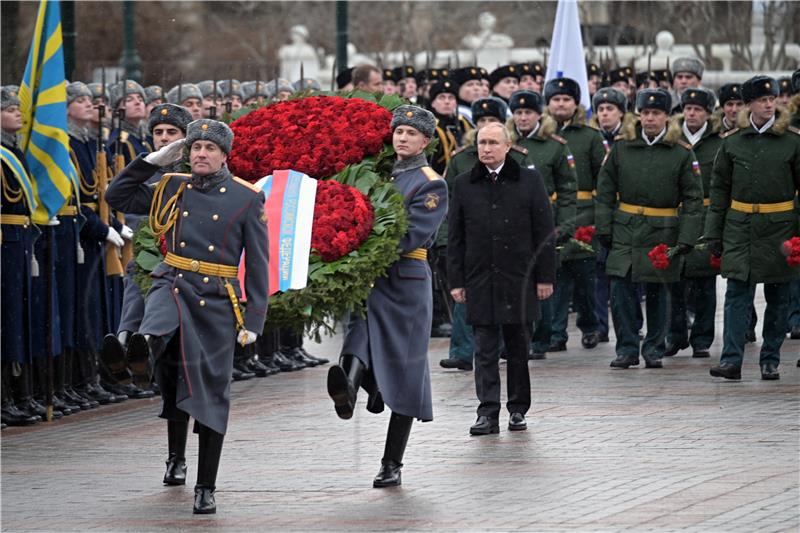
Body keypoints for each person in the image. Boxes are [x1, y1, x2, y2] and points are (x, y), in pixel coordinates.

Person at [105, 119, 269, 513]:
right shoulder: (172, 186)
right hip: (173, 278)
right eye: (195, 147)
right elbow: (117, 196)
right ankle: (139, 357)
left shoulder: (245, 198)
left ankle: (205, 486)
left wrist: (254, 322)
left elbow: (260, 265)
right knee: (158, 320)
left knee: (211, 393)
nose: (201, 154)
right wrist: (149, 162)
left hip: (215, 297)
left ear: (224, 155)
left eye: (210, 149)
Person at [327, 105, 447, 488]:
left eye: (411, 133)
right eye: (398, 131)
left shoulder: (431, 183)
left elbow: (410, 234)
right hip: (371, 277)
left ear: (426, 141)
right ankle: (347, 386)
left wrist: (362, 248)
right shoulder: (377, 176)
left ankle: (392, 462)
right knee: (358, 333)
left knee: (407, 368)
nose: (403, 138)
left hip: (406, 279)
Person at [448, 122, 555, 435]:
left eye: (493, 143)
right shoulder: (464, 183)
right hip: (480, 277)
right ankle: (487, 412)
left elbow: (544, 232)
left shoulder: (529, 180)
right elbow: (455, 237)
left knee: (518, 347)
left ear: (508, 146)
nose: (486, 149)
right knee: (484, 348)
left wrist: (545, 277)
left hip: (519, 277)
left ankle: (518, 409)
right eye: (482, 143)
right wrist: (456, 281)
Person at [595, 88, 703, 370]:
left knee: (659, 294)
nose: (650, 118)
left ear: (667, 116)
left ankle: (654, 348)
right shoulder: (622, 147)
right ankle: (626, 348)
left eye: (656, 113)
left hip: (663, 230)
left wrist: (687, 237)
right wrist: (604, 227)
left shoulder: (680, 152)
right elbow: (605, 191)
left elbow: (693, 199)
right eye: (645, 113)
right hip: (625, 229)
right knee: (620, 291)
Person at [706, 76, 800, 381]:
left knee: (778, 295)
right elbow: (719, 191)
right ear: (748, 105)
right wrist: (714, 234)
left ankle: (769, 359)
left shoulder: (792, 141)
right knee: (735, 294)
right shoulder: (732, 142)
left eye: (772, 98)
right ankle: (731, 360)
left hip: (780, 228)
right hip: (740, 227)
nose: (769, 104)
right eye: (761, 100)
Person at [100, 103, 193, 388]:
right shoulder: (150, 174)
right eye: (158, 132)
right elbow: (115, 196)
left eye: (171, 131)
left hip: (193, 262)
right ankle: (128, 343)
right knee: (138, 270)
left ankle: (143, 344)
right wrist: (149, 162)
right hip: (155, 257)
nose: (164, 137)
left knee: (156, 276)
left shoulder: (199, 171)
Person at [506, 90, 577, 359]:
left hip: (544, 220)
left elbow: (568, 189)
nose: (523, 118)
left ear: (539, 115)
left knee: (543, 280)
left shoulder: (555, 145)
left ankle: (543, 337)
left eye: (528, 113)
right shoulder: (504, 143)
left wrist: (565, 225)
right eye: (518, 113)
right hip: (510, 222)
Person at [544, 77, 604, 352]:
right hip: (551, 213)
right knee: (557, 276)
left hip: (582, 214)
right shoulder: (541, 136)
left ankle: (591, 325)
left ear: (575, 103)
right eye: (555, 99)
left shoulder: (590, 136)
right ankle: (556, 333)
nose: (560, 104)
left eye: (566, 99)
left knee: (583, 277)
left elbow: (602, 180)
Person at [665, 88, 722, 359]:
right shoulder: (672, 140)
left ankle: (702, 337)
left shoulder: (718, 143)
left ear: (708, 113)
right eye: (687, 108)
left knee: (705, 284)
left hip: (707, 218)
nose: (691, 113)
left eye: (698, 109)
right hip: (677, 218)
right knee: (674, 280)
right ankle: (675, 334)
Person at [1, 85, 40, 426]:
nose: (18, 112)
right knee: (6, 320)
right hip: (6, 241)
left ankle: (18, 395)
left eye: (18, 107)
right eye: (10, 108)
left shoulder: (14, 150)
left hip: (19, 239)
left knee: (19, 319)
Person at [589, 87, 638, 344]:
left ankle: (633, 326)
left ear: (621, 112)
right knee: (600, 271)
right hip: (602, 211)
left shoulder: (630, 139)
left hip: (627, 212)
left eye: (610, 109)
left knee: (629, 274)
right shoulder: (592, 139)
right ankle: (599, 326)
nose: (605, 114)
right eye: (600, 109)